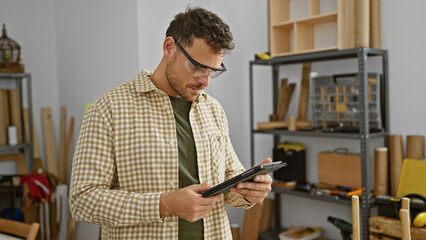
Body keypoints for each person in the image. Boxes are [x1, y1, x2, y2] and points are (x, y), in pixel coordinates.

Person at [69, 7, 272, 240]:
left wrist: (249, 191)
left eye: (213, 71)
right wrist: (164, 204)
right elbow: (82, 201)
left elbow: (229, 180)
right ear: (169, 47)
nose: (205, 81)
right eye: (198, 67)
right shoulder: (109, 109)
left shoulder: (213, 110)